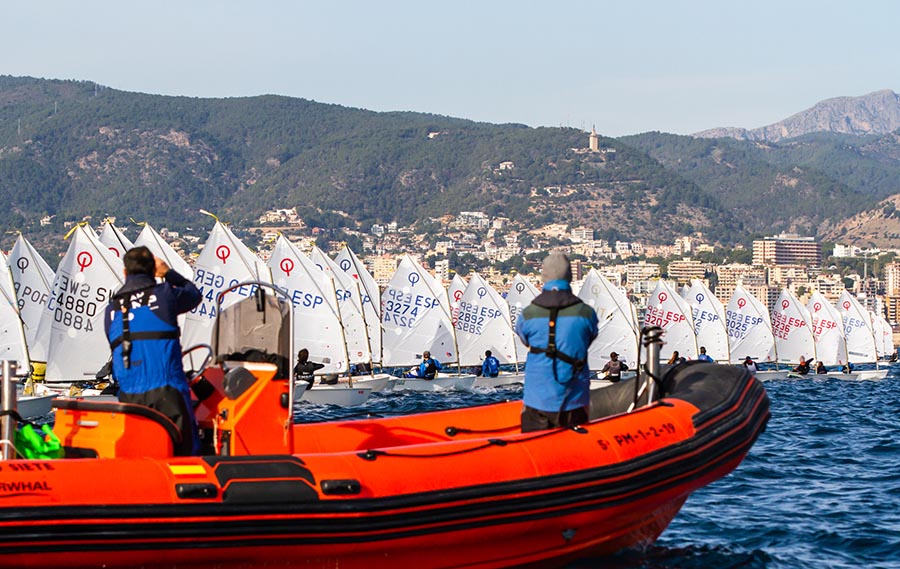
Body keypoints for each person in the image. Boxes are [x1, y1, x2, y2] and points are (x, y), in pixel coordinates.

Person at [105, 246, 202, 456]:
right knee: (187, 453)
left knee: (141, 453)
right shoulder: (164, 294)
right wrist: (168, 273)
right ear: (153, 271)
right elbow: (194, 295)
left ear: (124, 273)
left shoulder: (112, 308)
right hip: (168, 391)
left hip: (130, 397)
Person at [515, 251, 598, 432]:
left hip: (537, 401)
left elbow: (524, 339)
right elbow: (589, 337)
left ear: (543, 277)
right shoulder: (586, 313)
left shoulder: (528, 314)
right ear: (570, 276)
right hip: (574, 400)